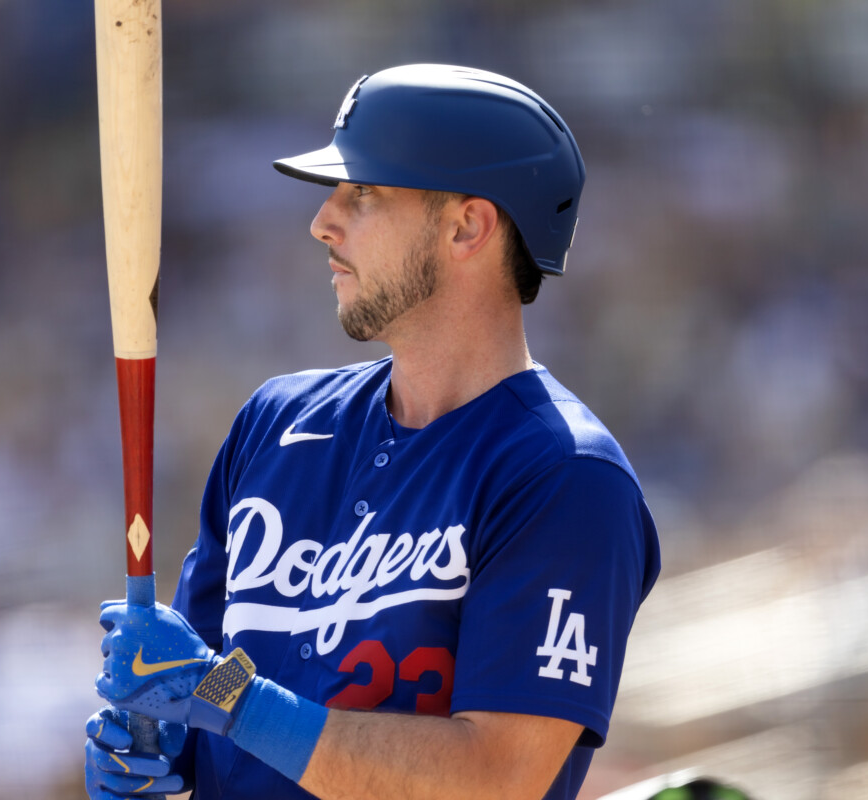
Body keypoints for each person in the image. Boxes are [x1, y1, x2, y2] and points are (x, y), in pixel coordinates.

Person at [84, 63, 661, 800]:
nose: (323, 221)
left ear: (466, 225)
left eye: (363, 193)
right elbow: (229, 671)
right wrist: (166, 736)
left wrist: (226, 702)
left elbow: (498, 776)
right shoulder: (274, 423)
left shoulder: (565, 476)